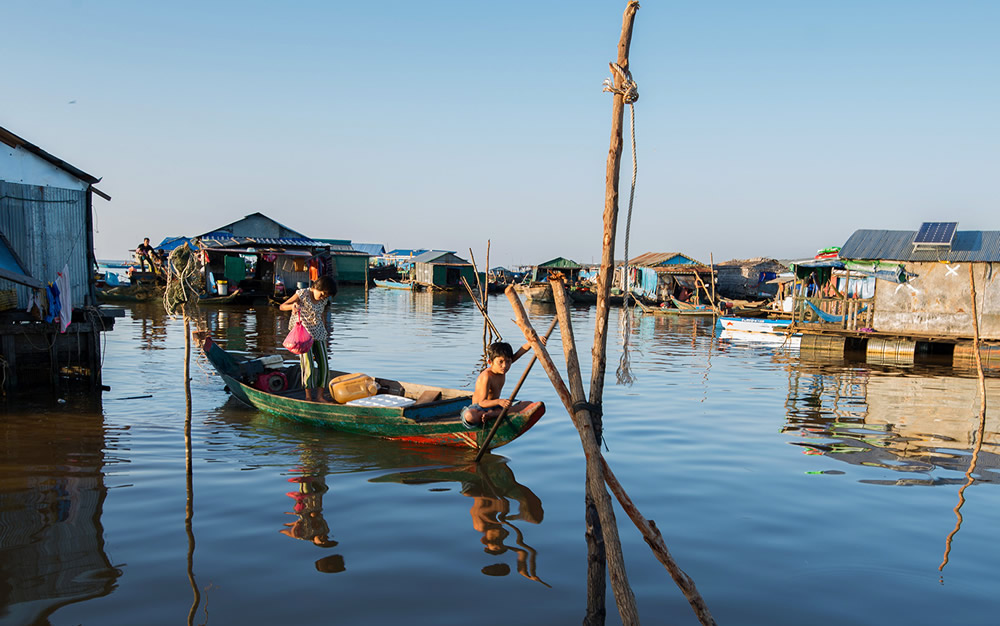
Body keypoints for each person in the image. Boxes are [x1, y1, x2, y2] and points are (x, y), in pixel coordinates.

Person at [279, 276, 337, 402]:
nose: (322, 297)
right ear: (316, 287)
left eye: (325, 296)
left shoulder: (324, 300)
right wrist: (292, 307)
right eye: (321, 294)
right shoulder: (303, 294)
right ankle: (308, 396)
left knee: (324, 365)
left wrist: (326, 335)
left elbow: (321, 316)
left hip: (319, 334)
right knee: (308, 366)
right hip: (304, 336)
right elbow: (282, 306)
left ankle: (320, 396)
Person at [461, 339, 541, 427]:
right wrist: (499, 401)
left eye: (508, 361)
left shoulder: (502, 368)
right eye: (501, 362)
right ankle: (495, 413)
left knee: (529, 404)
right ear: (490, 362)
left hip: (495, 407)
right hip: (480, 408)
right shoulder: (487, 376)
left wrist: (534, 342)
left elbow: (521, 351)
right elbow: (482, 402)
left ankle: (494, 414)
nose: (505, 366)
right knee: (469, 416)